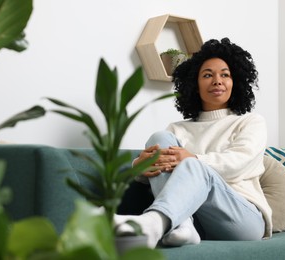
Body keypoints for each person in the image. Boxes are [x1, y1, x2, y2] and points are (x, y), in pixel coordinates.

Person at [115, 38, 272, 248]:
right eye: (207, 75)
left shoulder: (250, 122)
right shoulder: (176, 130)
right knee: (158, 138)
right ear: (195, 85)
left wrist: (193, 159)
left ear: (236, 82)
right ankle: (181, 226)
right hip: (195, 217)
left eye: (225, 75)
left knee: (193, 165)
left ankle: (155, 222)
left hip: (242, 218)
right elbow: (161, 176)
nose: (217, 80)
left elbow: (239, 162)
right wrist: (139, 167)